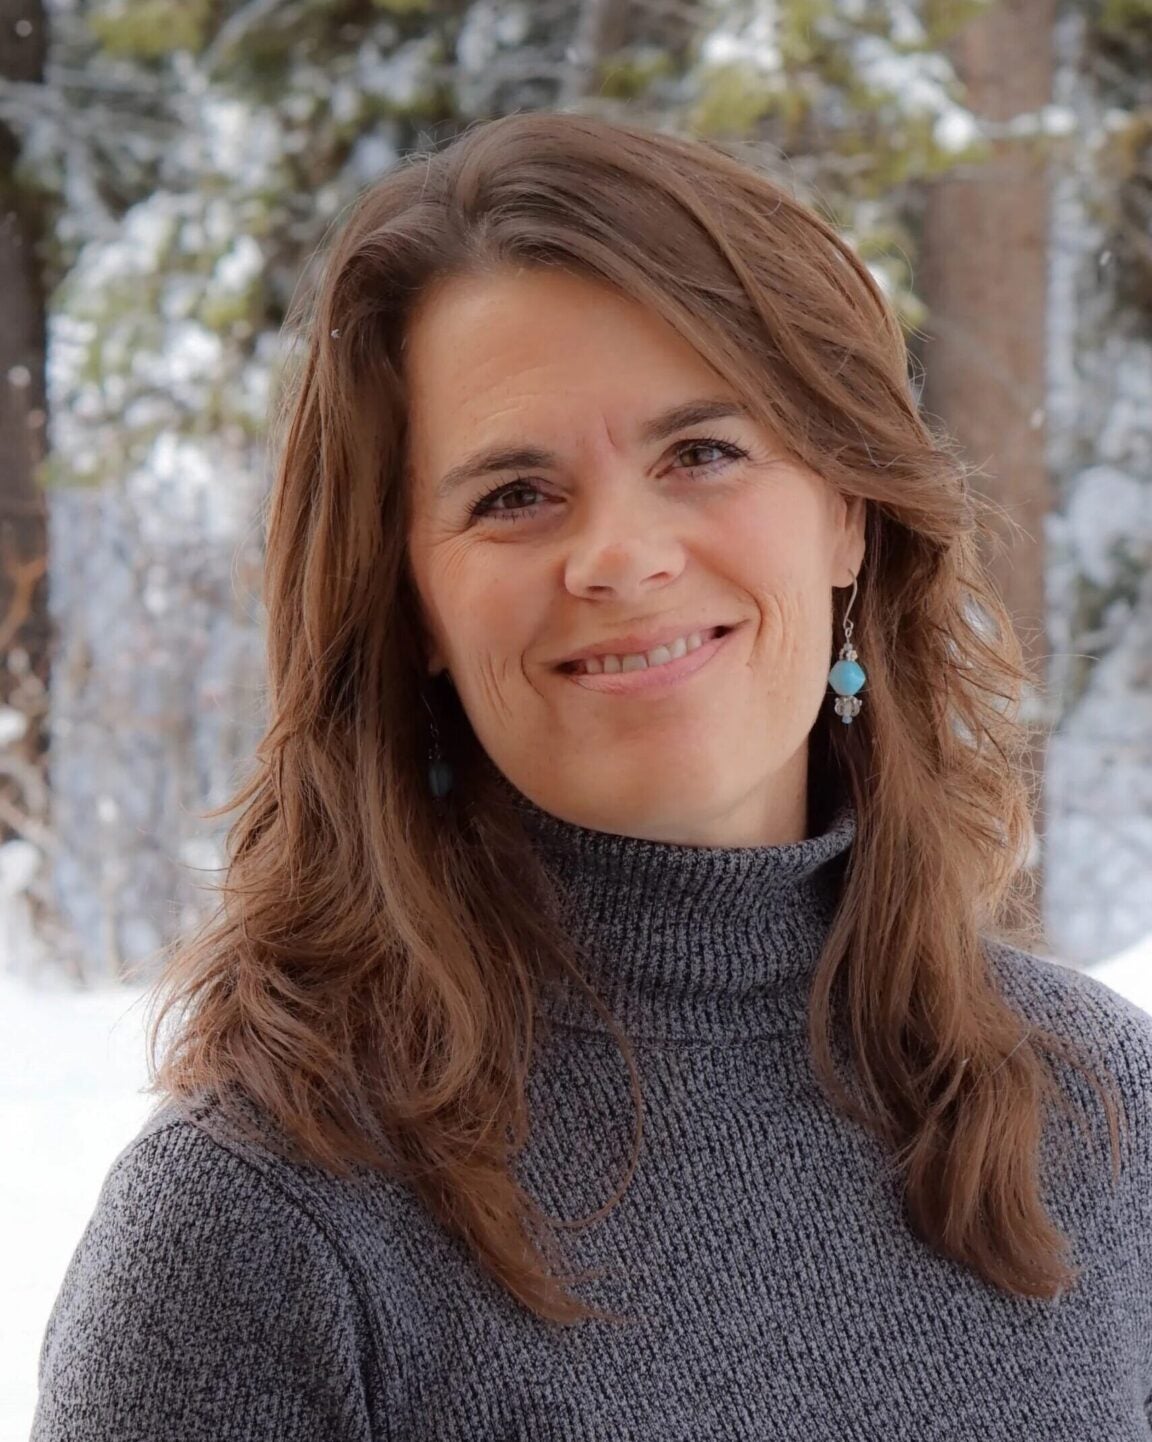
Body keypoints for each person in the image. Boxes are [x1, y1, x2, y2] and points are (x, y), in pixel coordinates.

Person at [31, 110, 1152, 1441]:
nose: (620, 556)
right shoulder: (263, 1234)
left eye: (704, 452)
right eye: (513, 494)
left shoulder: (1099, 1109)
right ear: (413, 610)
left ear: (848, 508)